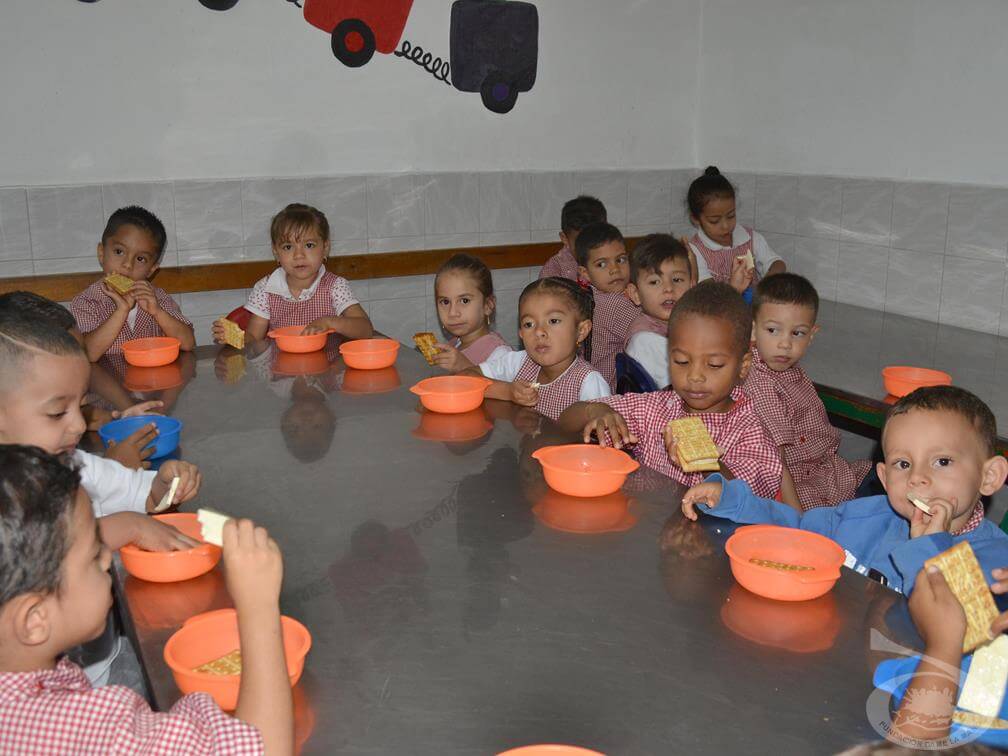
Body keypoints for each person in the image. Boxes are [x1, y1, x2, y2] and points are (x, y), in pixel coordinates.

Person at [0, 445, 293, 755]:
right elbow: (266, 749)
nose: (106, 560)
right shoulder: (83, 728)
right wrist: (258, 606)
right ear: (34, 619)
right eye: (95, 554)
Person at [682, 385, 1008, 595]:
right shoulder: (863, 517)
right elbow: (797, 530)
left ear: (990, 476)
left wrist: (928, 547)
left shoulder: (997, 562)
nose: (918, 478)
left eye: (942, 461)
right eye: (903, 464)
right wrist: (732, 500)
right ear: (883, 476)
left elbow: (957, 634)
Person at [559, 281, 782, 498]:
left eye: (713, 365)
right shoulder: (654, 410)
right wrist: (595, 411)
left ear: (742, 367)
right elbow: (565, 421)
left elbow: (748, 498)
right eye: (682, 361)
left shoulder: (749, 430)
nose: (695, 376)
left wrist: (705, 464)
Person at [745, 273, 871, 509]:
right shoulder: (760, 383)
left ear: (812, 335)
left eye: (797, 333)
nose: (785, 343)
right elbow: (777, 463)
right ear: (752, 331)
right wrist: (797, 520)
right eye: (773, 330)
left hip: (828, 471)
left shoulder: (788, 370)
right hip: (799, 487)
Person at [214, 203, 372, 343]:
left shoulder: (335, 286)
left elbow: (365, 329)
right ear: (276, 252)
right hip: (281, 373)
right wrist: (235, 336)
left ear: (325, 248)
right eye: (288, 247)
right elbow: (254, 338)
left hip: (328, 371)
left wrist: (329, 322)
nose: (299, 255)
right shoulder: (266, 288)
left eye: (309, 245)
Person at [470, 277, 610, 420]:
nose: (538, 331)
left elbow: (604, 434)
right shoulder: (519, 362)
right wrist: (507, 391)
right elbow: (465, 378)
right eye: (529, 324)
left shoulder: (588, 382)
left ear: (581, 331)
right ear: (521, 334)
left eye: (553, 321)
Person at [70, 206, 195, 362]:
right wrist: (121, 311)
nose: (128, 265)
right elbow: (88, 354)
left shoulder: (158, 298)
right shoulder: (86, 302)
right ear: (102, 253)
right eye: (119, 252)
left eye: (140, 259)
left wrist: (157, 311)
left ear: (151, 270)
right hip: (105, 383)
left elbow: (188, 343)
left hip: (153, 382)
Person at [686, 167, 785, 299]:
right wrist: (735, 289)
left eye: (731, 216)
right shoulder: (695, 250)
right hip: (720, 314)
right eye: (714, 221)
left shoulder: (749, 237)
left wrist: (765, 286)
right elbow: (709, 295)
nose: (726, 226)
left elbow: (778, 264)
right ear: (695, 219)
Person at [573, 222, 640, 389]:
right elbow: (658, 330)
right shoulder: (615, 304)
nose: (615, 269)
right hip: (609, 395)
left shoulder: (591, 294)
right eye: (602, 264)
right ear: (585, 273)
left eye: (621, 259)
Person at [623, 234, 694, 389]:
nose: (668, 289)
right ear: (635, 294)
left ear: (691, 285)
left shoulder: (682, 323)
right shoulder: (645, 341)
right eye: (655, 282)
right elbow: (686, 388)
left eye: (677, 280)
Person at [428, 253, 512, 372]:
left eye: (464, 300)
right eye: (445, 302)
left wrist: (466, 368)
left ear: (488, 305)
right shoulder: (454, 345)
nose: (452, 313)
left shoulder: (501, 355)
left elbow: (506, 390)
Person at [538, 195, 607, 281]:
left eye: (595, 241)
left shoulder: (614, 261)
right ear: (565, 239)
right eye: (581, 244)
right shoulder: (553, 273)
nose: (589, 250)